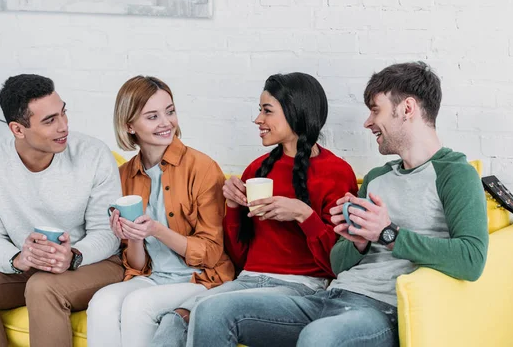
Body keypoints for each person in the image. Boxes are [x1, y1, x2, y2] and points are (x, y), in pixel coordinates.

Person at [187, 62, 489, 347]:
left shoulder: (455, 173)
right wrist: (356, 243)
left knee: (320, 337)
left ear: (407, 108)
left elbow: (472, 259)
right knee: (212, 311)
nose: (367, 122)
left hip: (381, 311)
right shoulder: (377, 177)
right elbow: (337, 265)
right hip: (329, 297)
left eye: (375, 111)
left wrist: (388, 234)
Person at [150, 72, 358, 347]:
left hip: (300, 288)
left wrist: (302, 215)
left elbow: (338, 264)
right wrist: (234, 207)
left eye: (267, 111)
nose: (258, 119)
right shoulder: (257, 169)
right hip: (247, 281)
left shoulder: (337, 173)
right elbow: (240, 258)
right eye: (260, 110)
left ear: (295, 112)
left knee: (209, 311)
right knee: (174, 320)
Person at [0, 74, 124, 347]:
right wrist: (18, 258)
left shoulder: (93, 154)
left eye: (63, 112)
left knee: (43, 286)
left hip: (93, 264)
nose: (63, 126)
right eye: (49, 120)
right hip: (29, 270)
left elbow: (108, 234)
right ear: (18, 130)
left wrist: (73, 256)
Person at [86, 75, 235, 347]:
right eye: (152, 116)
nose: (166, 123)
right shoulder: (122, 176)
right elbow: (137, 265)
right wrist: (133, 236)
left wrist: (156, 229)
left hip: (199, 278)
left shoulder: (202, 168)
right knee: (102, 303)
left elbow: (212, 253)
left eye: (170, 111)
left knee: (138, 305)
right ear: (129, 125)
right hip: (153, 277)